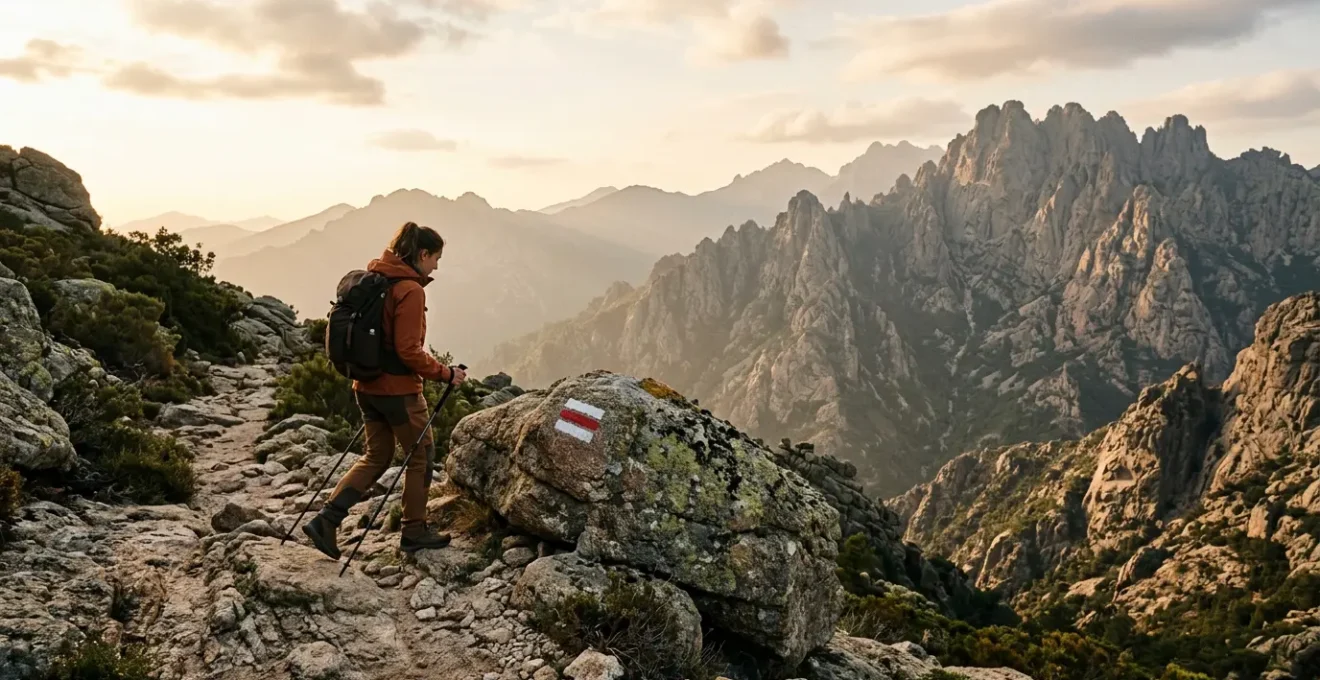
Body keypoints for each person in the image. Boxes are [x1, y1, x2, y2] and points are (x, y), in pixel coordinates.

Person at [302, 221, 467, 558]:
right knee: (420, 455)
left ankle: (326, 520)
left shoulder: (376, 277)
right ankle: (414, 531)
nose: (436, 266)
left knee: (376, 456)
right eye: (435, 258)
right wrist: (445, 373)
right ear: (422, 254)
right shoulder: (410, 289)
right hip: (398, 392)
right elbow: (409, 351)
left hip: (366, 386)